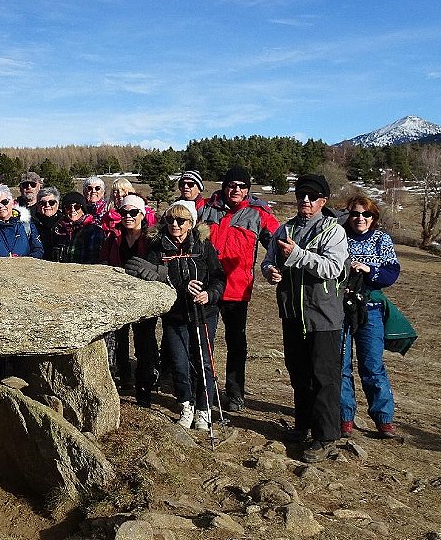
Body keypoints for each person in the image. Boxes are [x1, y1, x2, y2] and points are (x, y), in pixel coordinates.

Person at [262, 173, 348, 463]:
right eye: (301, 195)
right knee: (298, 373)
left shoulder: (333, 231)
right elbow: (268, 260)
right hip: (292, 313)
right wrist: (270, 271)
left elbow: (332, 268)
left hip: (323, 315)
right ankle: (303, 426)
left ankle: (326, 437)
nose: (306, 201)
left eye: (312, 196)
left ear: (323, 201)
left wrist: (298, 254)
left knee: (324, 377)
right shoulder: (285, 229)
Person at [126, 200, 224, 431]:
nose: (175, 225)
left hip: (204, 313)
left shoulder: (203, 246)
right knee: (180, 364)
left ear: (191, 223)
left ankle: (204, 409)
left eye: (181, 220)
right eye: (170, 220)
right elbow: (152, 281)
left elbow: (218, 277)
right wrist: (181, 287)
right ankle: (186, 405)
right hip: (175, 316)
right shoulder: (157, 247)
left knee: (203, 363)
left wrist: (210, 294)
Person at [199, 167, 280, 412]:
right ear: (224, 186)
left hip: (237, 289)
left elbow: (278, 244)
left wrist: (277, 267)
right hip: (207, 288)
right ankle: (204, 391)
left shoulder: (259, 213)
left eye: (242, 186)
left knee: (236, 344)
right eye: (232, 185)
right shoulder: (206, 207)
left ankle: (235, 393)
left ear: (248, 189)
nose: (236, 190)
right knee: (204, 342)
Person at [339, 195, 401, 438]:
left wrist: (369, 269)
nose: (360, 218)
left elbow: (391, 273)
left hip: (371, 310)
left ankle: (383, 418)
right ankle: (344, 417)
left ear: (373, 217)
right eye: (355, 213)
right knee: (341, 364)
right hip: (341, 309)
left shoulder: (381, 240)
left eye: (366, 214)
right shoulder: (339, 237)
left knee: (372, 365)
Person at [100, 194, 158, 405]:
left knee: (144, 344)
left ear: (142, 214)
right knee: (119, 341)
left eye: (133, 212)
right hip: (118, 297)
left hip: (144, 299)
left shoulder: (151, 239)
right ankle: (123, 380)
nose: (128, 216)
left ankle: (144, 391)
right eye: (124, 212)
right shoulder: (113, 237)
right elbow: (104, 262)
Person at [0, 185, 44, 258]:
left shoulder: (26, 224)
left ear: (12, 202)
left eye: (4, 202)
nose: (1, 206)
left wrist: (27, 262)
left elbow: (38, 250)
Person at [50, 191, 103, 263]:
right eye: (68, 207)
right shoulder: (58, 229)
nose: (73, 210)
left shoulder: (94, 230)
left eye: (77, 207)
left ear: (83, 210)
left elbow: (94, 258)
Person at [32, 186, 62, 255]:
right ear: (37, 205)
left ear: (57, 205)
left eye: (51, 202)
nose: (47, 205)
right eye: (42, 203)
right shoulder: (32, 222)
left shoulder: (64, 222)